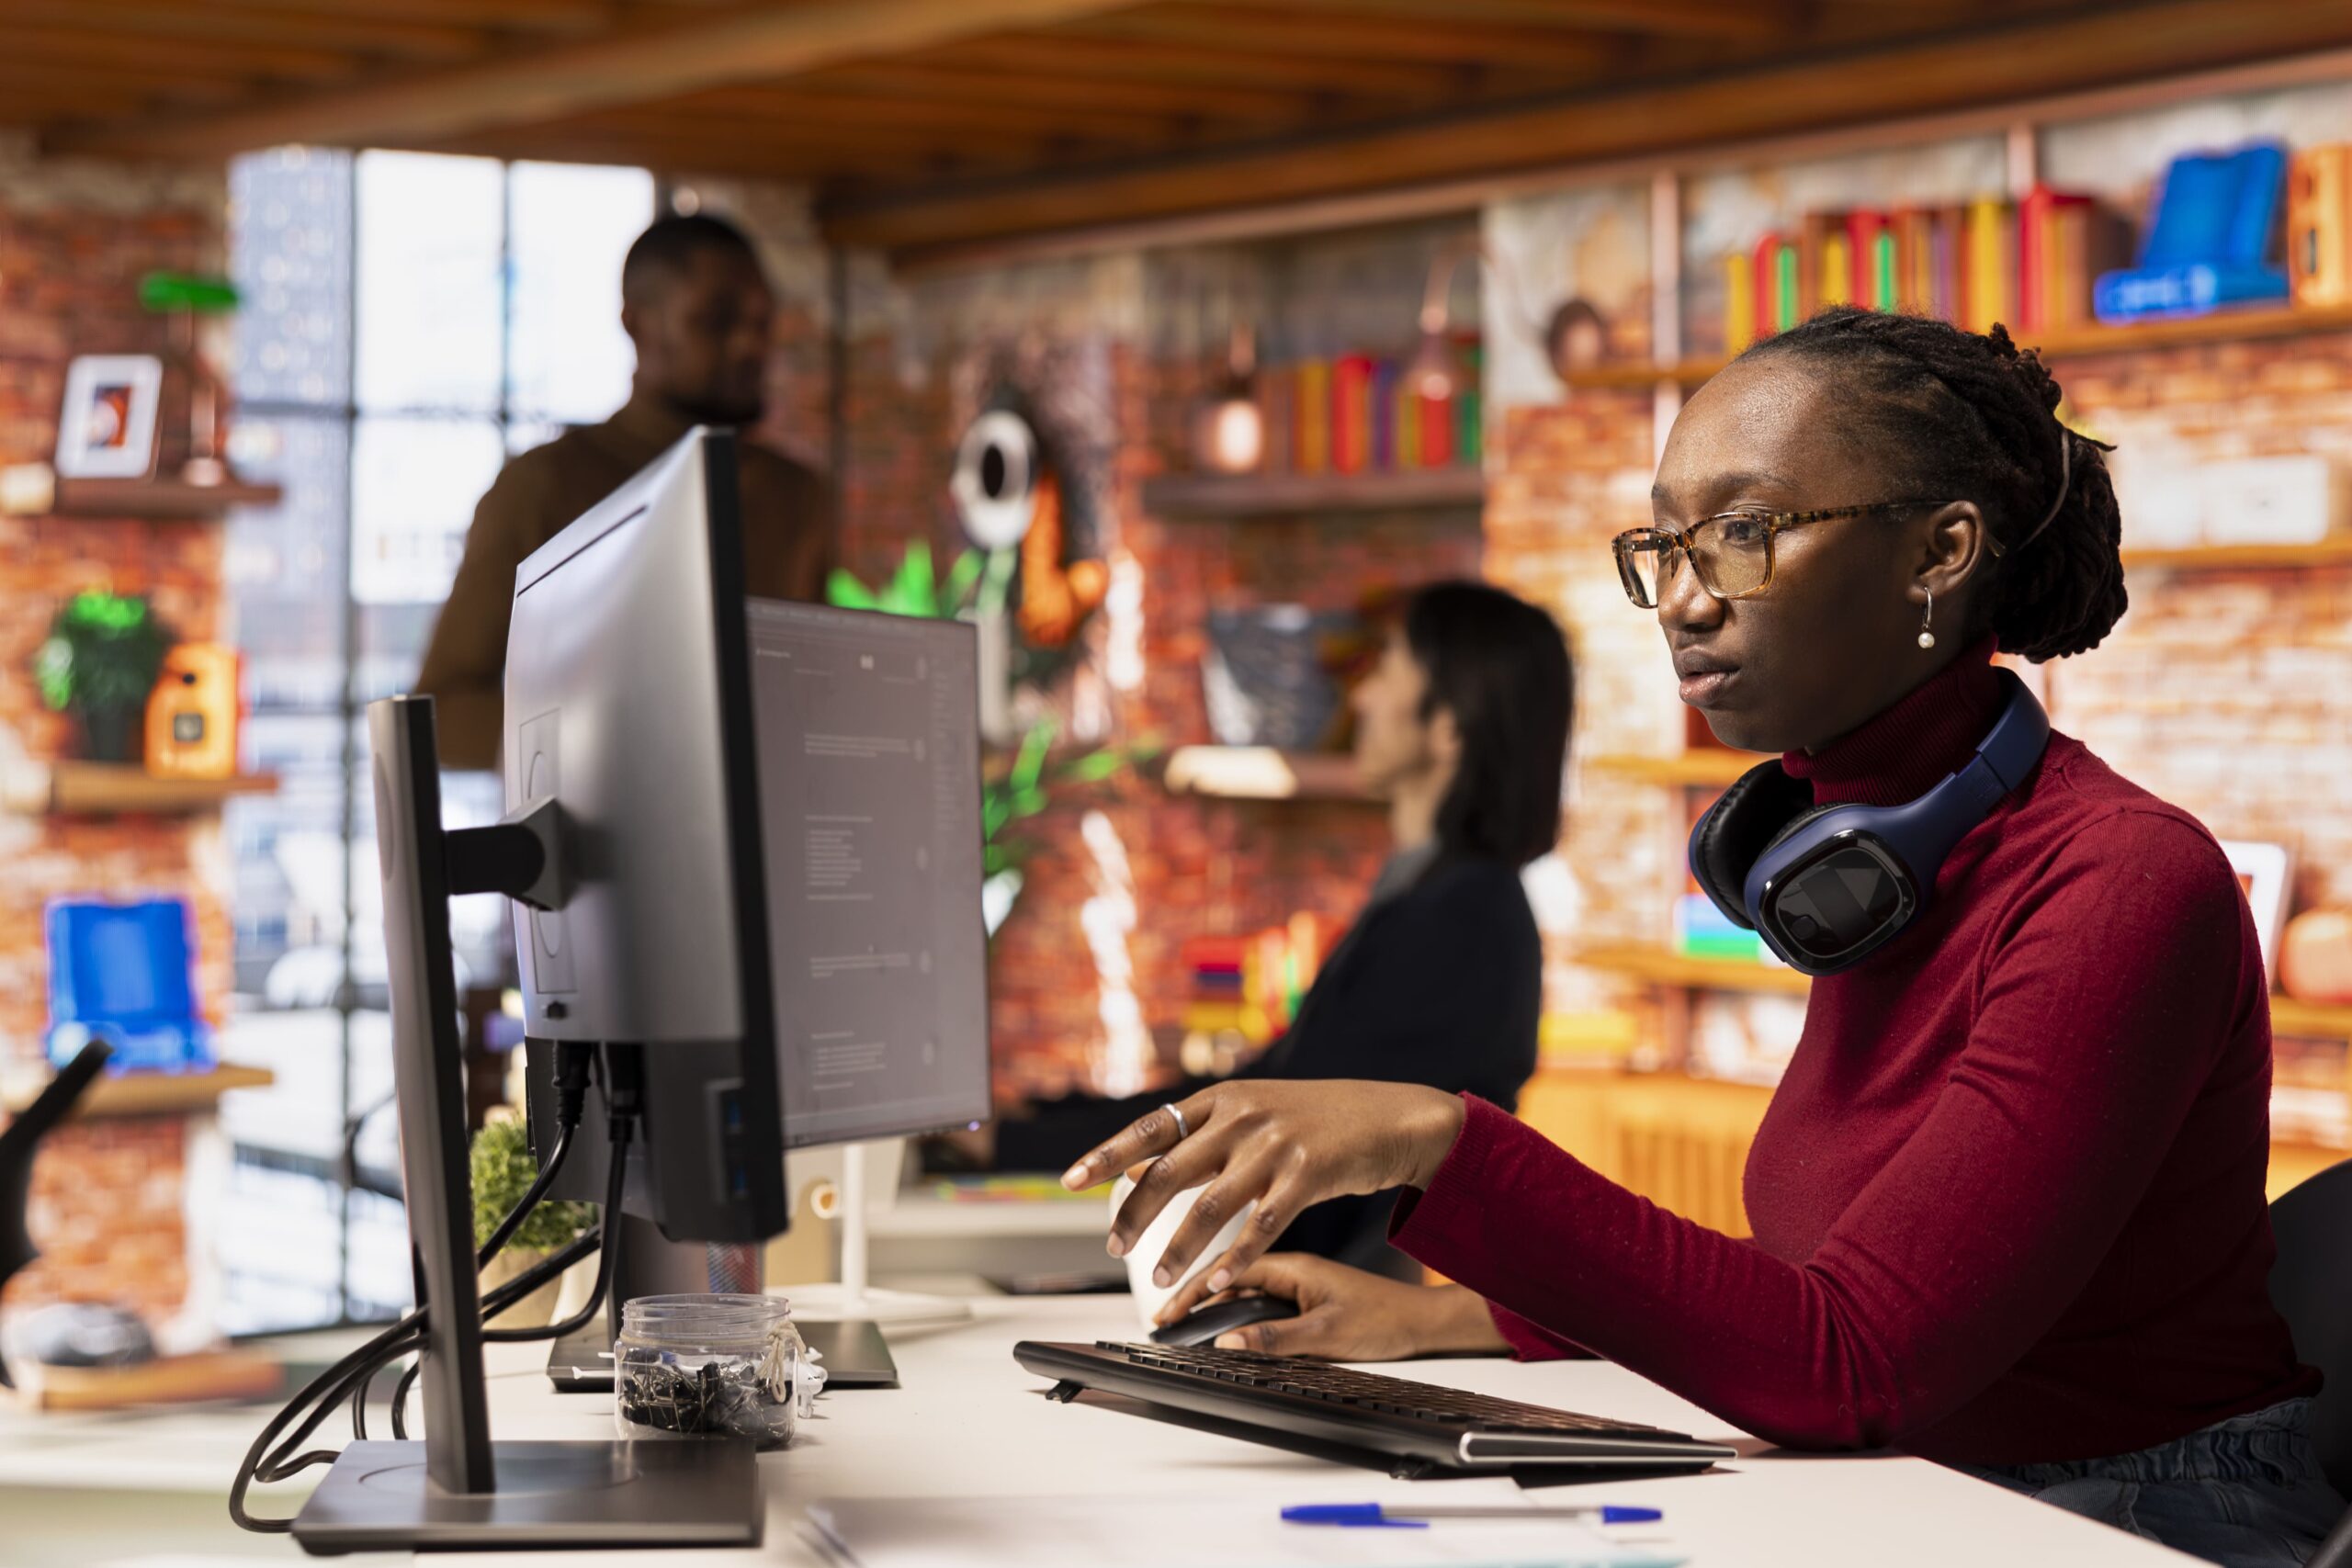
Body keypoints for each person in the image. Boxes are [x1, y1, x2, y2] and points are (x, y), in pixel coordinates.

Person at [1071, 308, 2344, 1568]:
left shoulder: (2123, 883)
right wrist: (1443, 1317)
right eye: (1666, 542)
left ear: (1940, 551)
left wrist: (1442, 1139)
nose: (1681, 596)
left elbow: (1859, 1356)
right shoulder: (1882, 865)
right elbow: (1832, 1278)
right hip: (1936, 1485)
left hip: (2140, 1516)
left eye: (1743, 530)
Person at [973, 581, 1571, 1278]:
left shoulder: (1459, 921)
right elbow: (1269, 1090)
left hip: (1321, 1306)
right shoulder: (1441, 900)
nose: (1361, 697)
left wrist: (1015, 1142)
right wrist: (1036, 1126)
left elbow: (1276, 1122)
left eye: (1386, 668)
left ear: (1449, 724)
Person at [414, 212, 831, 769]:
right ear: (639, 324)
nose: (749, 345)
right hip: (600, 846)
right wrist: (603, 738)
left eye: (762, 321)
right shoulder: (544, 486)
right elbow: (445, 712)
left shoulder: (796, 495)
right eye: (716, 320)